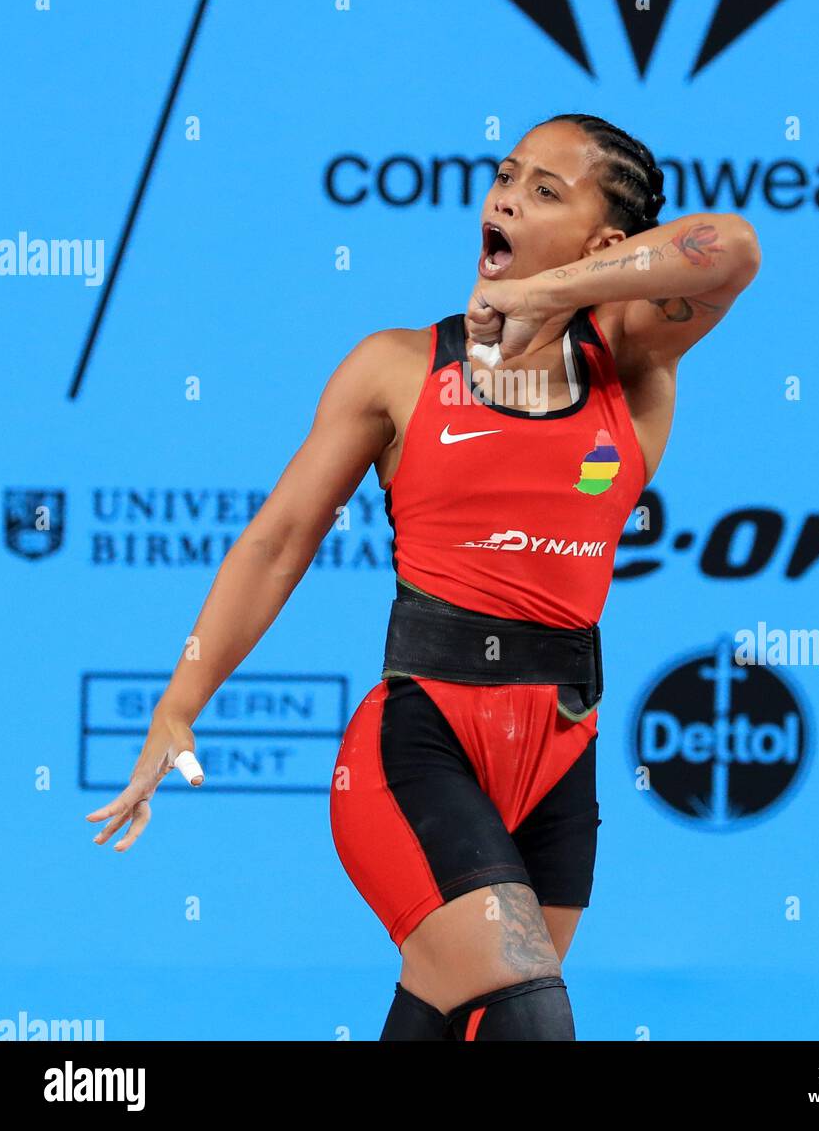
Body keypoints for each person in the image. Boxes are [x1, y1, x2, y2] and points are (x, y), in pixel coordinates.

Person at [86, 113, 761, 1041]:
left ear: (607, 246)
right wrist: (179, 701)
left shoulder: (633, 366)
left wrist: (547, 295)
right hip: (418, 748)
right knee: (531, 1021)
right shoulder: (397, 368)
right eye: (506, 176)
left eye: (544, 191)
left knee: (453, 1026)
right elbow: (280, 539)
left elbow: (729, 246)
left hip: (560, 758)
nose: (505, 197)